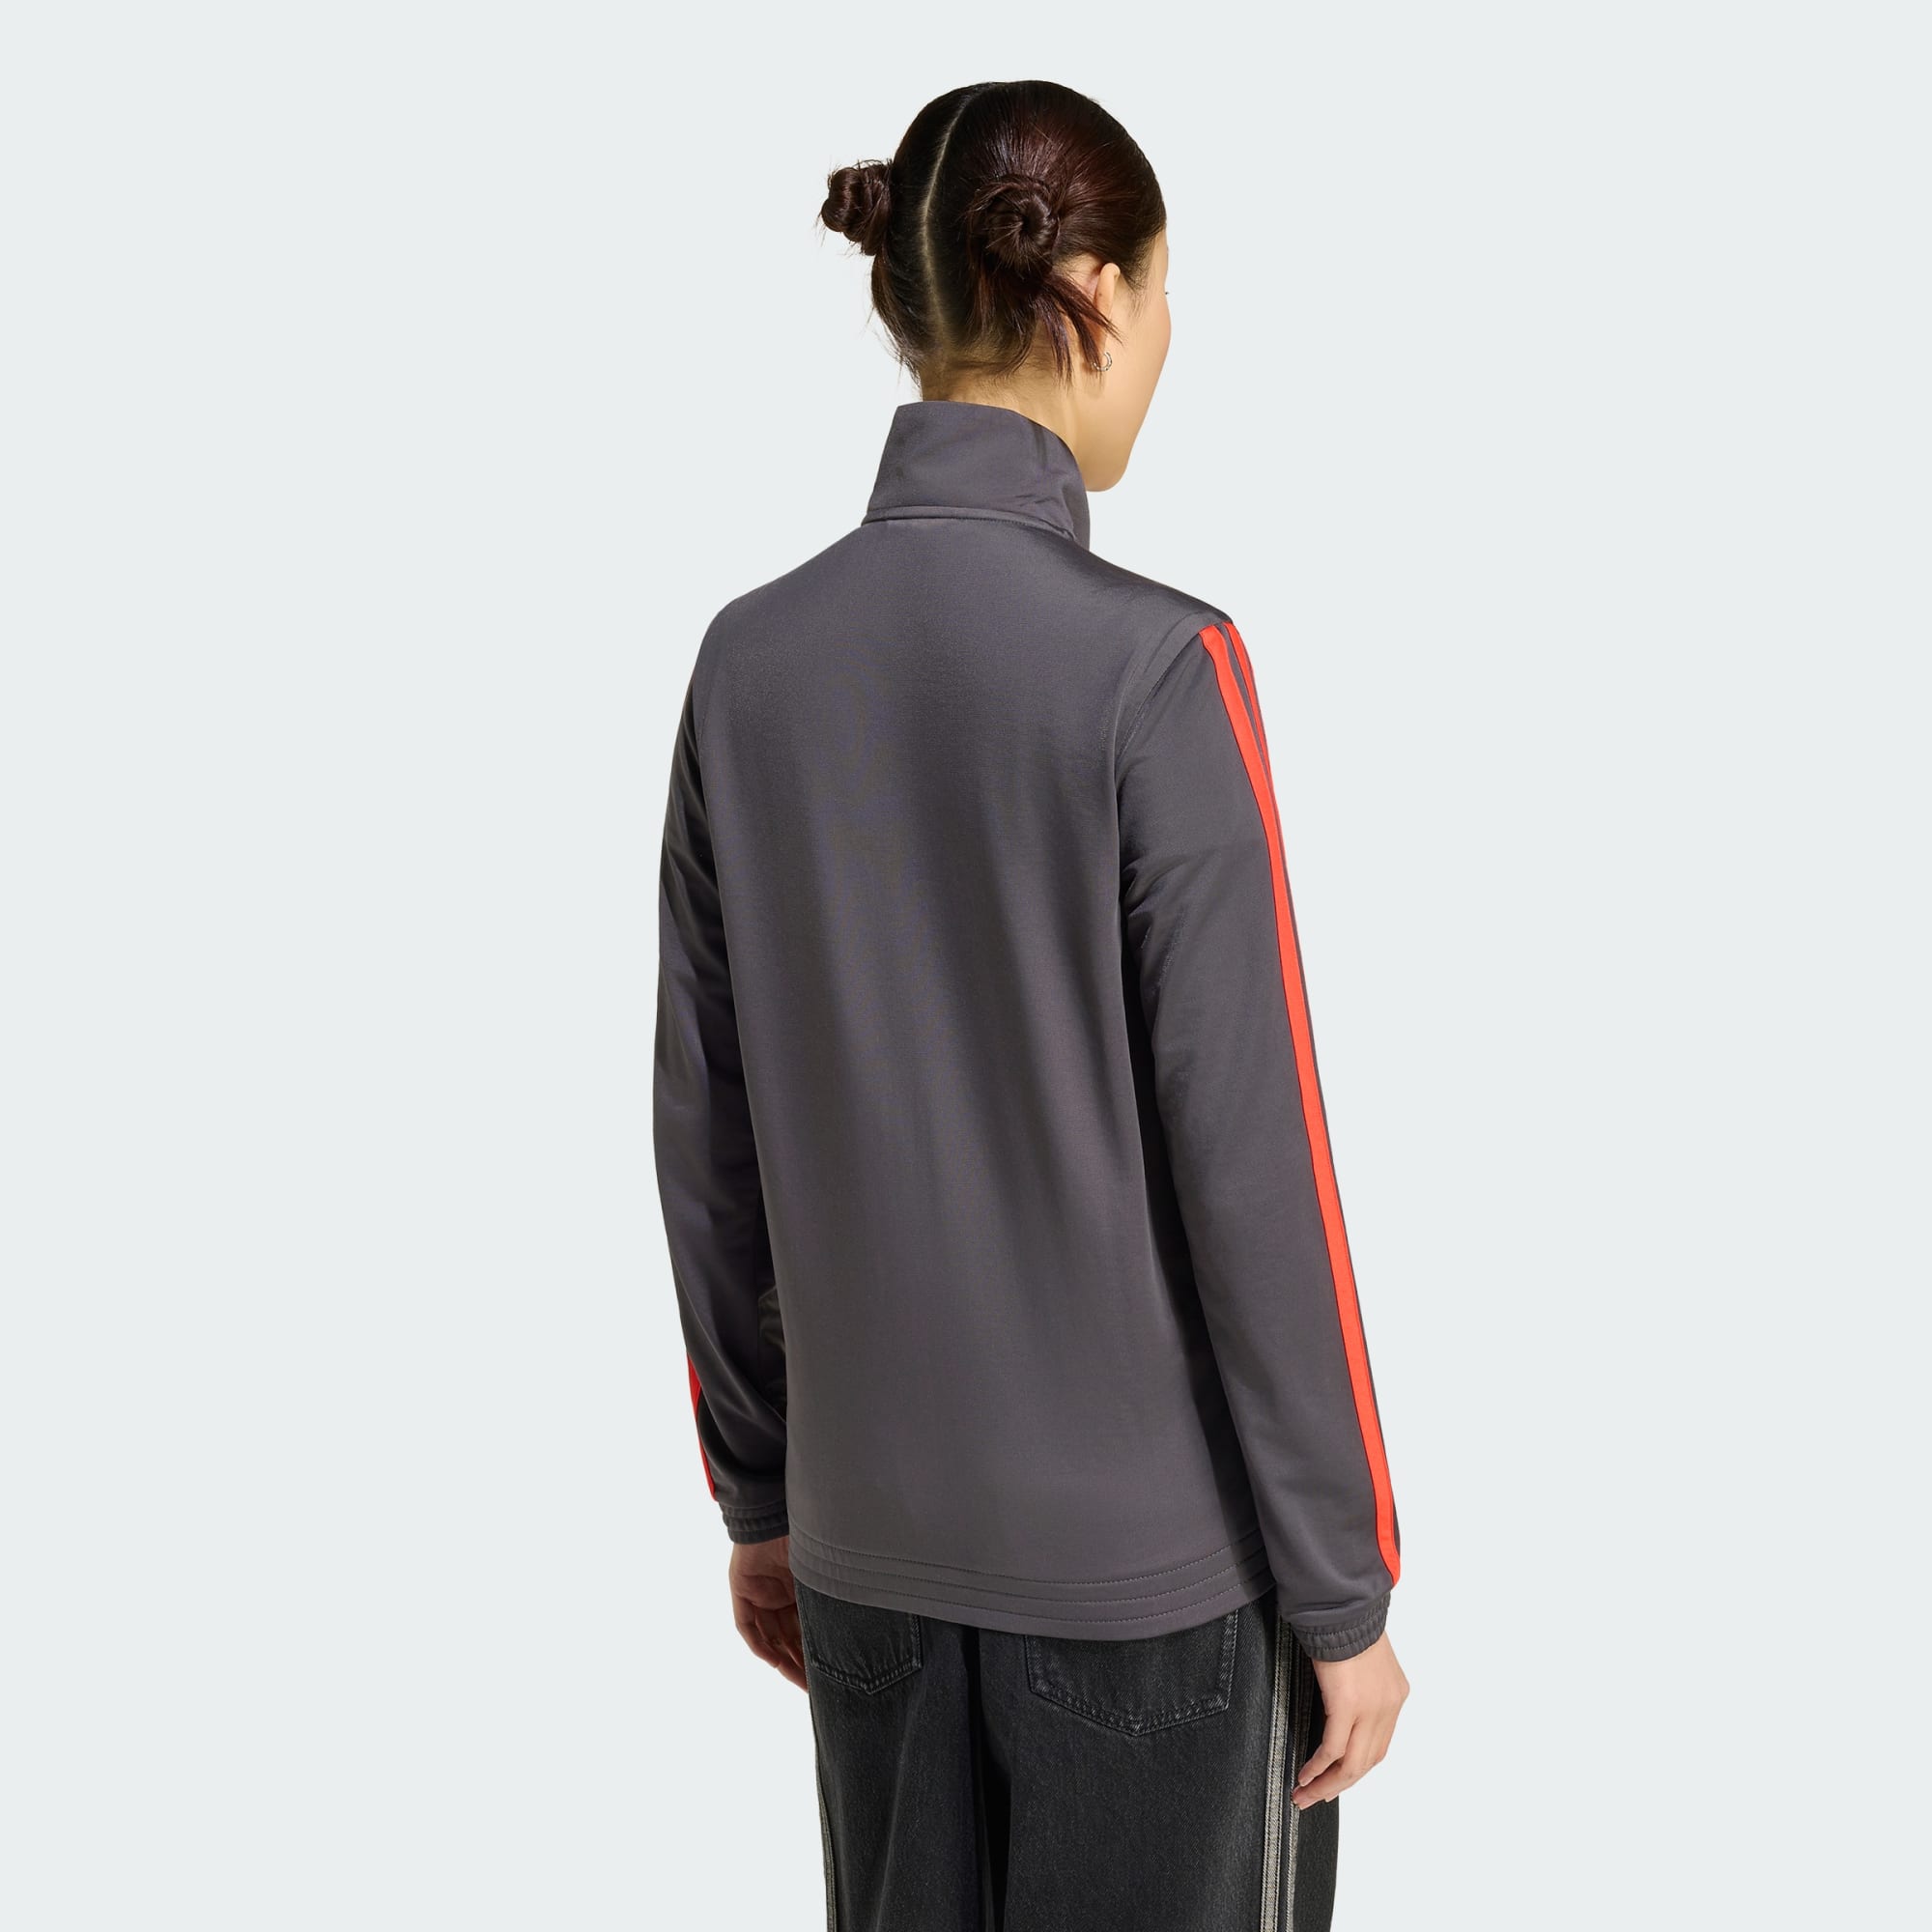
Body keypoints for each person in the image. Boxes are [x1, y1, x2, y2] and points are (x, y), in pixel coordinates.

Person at [654, 77, 1408, 1932]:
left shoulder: (747, 665)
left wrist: (762, 1498)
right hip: (1158, 1600)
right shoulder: (1161, 671)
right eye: (1164, 286)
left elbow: (707, 1139)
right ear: (1097, 292)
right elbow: (1257, 1170)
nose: (1168, 335)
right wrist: (1343, 1594)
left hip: (867, 1562)